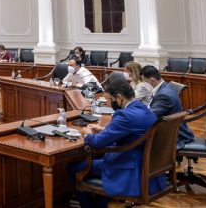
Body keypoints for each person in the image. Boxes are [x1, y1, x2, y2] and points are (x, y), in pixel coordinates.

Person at [68, 79, 166, 208]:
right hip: (146, 164)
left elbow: (97, 142)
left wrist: (86, 133)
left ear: (119, 98)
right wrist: (104, 129)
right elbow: (133, 131)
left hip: (129, 168)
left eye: (109, 100)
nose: (108, 104)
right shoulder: (145, 109)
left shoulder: (124, 115)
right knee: (98, 158)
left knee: (73, 167)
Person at [140, 65, 195, 148]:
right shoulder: (164, 86)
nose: (143, 84)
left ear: (152, 80)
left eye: (144, 81)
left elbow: (150, 116)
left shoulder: (164, 95)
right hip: (166, 126)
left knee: (134, 135)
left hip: (174, 134)